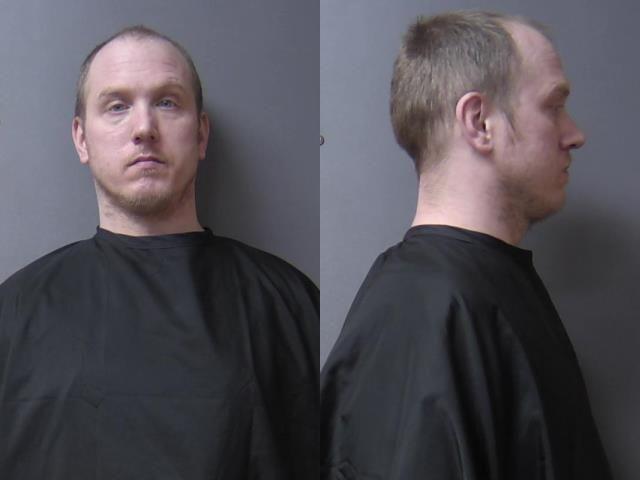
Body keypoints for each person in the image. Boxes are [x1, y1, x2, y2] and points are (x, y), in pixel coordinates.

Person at [0, 26, 318, 479]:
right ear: (81, 139)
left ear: (201, 135)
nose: (144, 129)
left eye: (167, 102)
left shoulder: (288, 303)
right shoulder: (14, 313)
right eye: (117, 106)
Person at [321, 12, 612, 480]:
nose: (574, 135)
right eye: (553, 106)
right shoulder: (424, 309)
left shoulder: (477, 284)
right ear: (479, 122)